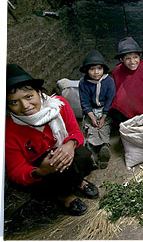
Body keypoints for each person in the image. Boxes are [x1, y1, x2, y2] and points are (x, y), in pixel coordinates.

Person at [5, 64, 98, 216]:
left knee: (83, 156)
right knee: (53, 176)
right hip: (40, 168)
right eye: (14, 102)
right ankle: (64, 196)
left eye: (29, 96)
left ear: (39, 93)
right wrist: (40, 171)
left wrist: (70, 144)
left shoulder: (59, 105)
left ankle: (79, 181)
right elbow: (15, 170)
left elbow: (75, 132)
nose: (25, 106)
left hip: (64, 152)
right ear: (8, 106)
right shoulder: (9, 129)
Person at [79, 49, 116, 169]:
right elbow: (84, 102)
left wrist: (104, 117)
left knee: (104, 128)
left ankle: (104, 149)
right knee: (91, 128)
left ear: (103, 69)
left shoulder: (109, 81)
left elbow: (110, 100)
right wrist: (92, 117)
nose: (96, 72)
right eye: (92, 69)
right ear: (86, 70)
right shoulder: (83, 83)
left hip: (105, 110)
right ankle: (93, 154)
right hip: (91, 111)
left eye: (99, 68)